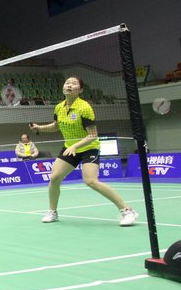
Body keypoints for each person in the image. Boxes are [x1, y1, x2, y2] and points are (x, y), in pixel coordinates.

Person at [30, 76, 138, 226]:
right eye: (67, 83)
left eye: (73, 84)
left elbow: (93, 135)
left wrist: (75, 146)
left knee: (91, 181)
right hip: (70, 148)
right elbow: (56, 125)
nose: (69, 85)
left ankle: (127, 211)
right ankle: (52, 212)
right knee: (54, 178)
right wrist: (39, 128)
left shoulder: (84, 108)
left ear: (80, 90)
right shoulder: (59, 107)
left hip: (88, 148)